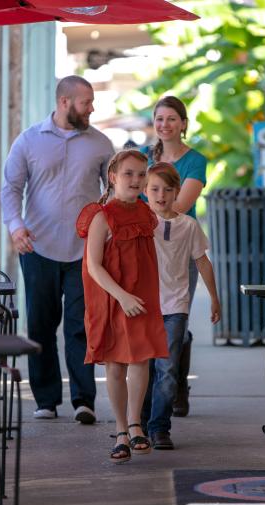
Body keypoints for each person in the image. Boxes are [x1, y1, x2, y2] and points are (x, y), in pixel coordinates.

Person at [1, 75, 114, 424]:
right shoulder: (29, 140)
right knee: (40, 326)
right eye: (86, 102)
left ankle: (84, 401)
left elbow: (112, 189)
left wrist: (106, 229)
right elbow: (10, 187)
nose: (92, 108)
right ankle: (46, 400)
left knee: (81, 326)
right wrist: (15, 226)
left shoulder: (100, 144)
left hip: (85, 252)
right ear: (64, 102)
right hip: (38, 248)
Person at [76, 150, 168, 464]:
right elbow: (93, 267)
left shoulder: (146, 212)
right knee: (116, 365)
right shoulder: (101, 215)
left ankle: (136, 423)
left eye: (142, 174)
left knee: (141, 360)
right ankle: (120, 431)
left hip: (141, 296)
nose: (136, 180)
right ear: (113, 177)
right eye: (128, 174)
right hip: (112, 298)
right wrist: (122, 297)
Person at [143, 162, 221, 449]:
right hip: (143, 306)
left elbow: (202, 260)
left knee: (167, 369)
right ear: (144, 191)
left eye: (167, 189)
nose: (161, 195)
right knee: (143, 369)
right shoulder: (140, 223)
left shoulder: (188, 225)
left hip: (175, 306)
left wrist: (214, 297)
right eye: (154, 189)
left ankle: (160, 427)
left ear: (177, 192)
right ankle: (138, 423)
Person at [141, 95, 208, 417]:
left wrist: (147, 209)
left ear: (183, 123)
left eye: (171, 119)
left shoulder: (195, 161)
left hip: (180, 248)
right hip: (145, 248)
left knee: (175, 319)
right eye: (159, 118)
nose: (164, 125)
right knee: (151, 317)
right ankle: (155, 395)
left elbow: (178, 205)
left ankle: (177, 384)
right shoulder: (143, 157)